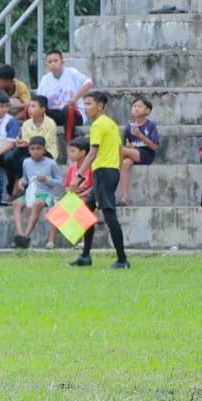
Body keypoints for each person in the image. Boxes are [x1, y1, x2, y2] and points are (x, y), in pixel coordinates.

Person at [70, 89, 129, 268]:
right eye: (84, 104)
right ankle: (85, 256)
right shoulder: (111, 123)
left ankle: (122, 259)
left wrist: (78, 175)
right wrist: (116, 171)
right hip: (109, 172)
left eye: (89, 104)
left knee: (109, 214)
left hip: (103, 171)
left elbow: (93, 152)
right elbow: (120, 150)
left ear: (100, 105)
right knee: (87, 209)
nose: (86, 108)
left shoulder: (97, 125)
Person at [9, 135, 65, 249]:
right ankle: (21, 235)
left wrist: (46, 179)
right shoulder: (26, 162)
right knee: (16, 204)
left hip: (47, 194)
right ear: (29, 150)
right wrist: (21, 182)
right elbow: (25, 178)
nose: (35, 151)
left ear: (44, 150)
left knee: (37, 204)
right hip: (31, 192)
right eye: (32, 148)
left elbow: (60, 181)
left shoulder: (50, 163)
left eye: (38, 148)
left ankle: (25, 236)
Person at [35, 51, 89, 160]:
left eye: (56, 61)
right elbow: (39, 99)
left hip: (74, 113)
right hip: (54, 113)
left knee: (68, 109)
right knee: (33, 108)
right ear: (46, 64)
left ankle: (70, 146)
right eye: (50, 62)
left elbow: (89, 83)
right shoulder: (45, 79)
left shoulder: (72, 73)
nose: (53, 64)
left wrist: (75, 98)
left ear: (62, 62)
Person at [120, 97, 161, 204]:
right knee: (125, 163)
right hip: (133, 154)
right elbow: (126, 145)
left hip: (147, 155)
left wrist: (139, 135)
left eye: (140, 106)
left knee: (119, 151)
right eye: (134, 106)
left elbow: (155, 147)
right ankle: (125, 197)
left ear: (147, 110)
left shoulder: (151, 126)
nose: (136, 109)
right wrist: (130, 147)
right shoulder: (129, 127)